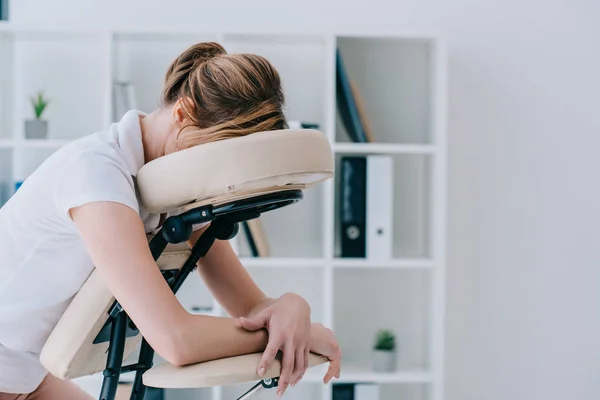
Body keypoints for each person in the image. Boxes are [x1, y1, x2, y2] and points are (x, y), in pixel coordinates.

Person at [0, 42, 341, 399]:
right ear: (183, 113)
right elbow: (175, 338)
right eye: (215, 153)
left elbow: (249, 305)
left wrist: (291, 309)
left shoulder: (174, 191)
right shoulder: (95, 173)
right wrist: (285, 337)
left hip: (24, 377)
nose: (217, 178)